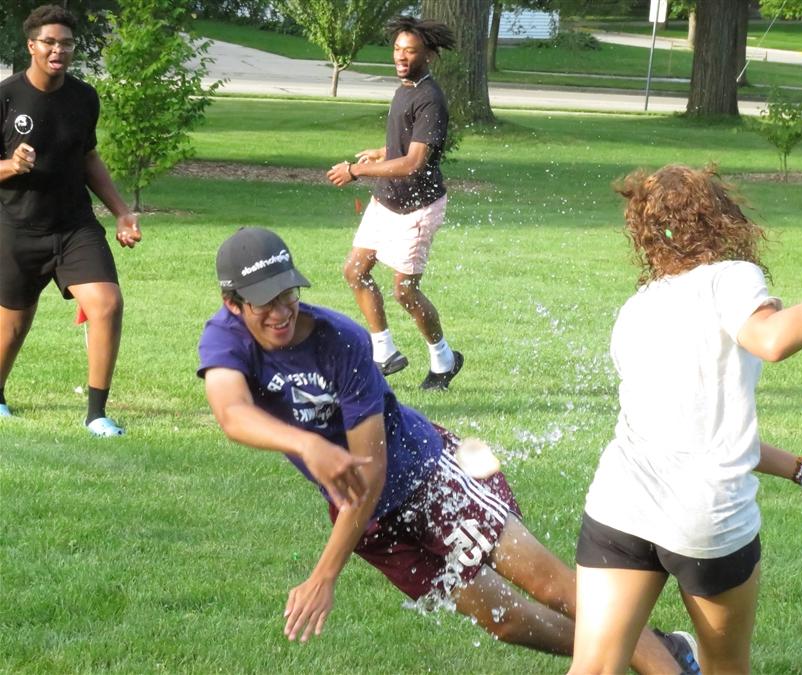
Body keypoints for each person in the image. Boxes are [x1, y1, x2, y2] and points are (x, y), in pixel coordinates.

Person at [198, 227, 699, 674]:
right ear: (233, 304)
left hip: (433, 475)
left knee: (554, 589)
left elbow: (368, 475)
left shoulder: (340, 340)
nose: (282, 311)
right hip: (374, 523)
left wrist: (323, 575)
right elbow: (231, 414)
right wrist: (308, 444)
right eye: (265, 302)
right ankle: (646, 646)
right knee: (507, 622)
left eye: (288, 294)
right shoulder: (225, 339)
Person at [569, 165, 802, 674]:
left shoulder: (636, 310)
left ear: (646, 234)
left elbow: (694, 429)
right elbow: (771, 340)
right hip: (706, 520)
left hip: (619, 510)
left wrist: (801, 469)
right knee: (725, 667)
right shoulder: (731, 277)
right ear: (721, 218)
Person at [0, 4, 141, 436]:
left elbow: (88, 157)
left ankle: (97, 413)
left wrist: (121, 212)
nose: (58, 49)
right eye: (49, 42)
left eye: (66, 42)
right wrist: (10, 165)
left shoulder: (84, 97)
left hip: (74, 226)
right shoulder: (6, 96)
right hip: (17, 227)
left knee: (107, 304)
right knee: (13, 325)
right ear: (31, 46)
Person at [326, 16, 462, 391]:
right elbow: (405, 147)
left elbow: (416, 161)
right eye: (398, 49)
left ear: (429, 56)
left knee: (405, 289)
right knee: (355, 270)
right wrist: (380, 152)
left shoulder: (430, 98)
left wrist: (356, 170)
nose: (401, 57)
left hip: (417, 207)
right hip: (386, 201)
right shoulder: (405, 88)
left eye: (411, 51)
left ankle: (444, 359)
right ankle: (384, 353)